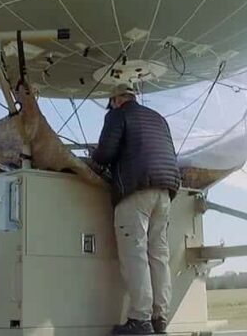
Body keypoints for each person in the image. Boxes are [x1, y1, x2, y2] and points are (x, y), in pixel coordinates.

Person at [91, 84, 181, 335]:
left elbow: (104, 154)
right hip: (165, 192)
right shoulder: (158, 118)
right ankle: (159, 318)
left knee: (135, 253)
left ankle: (140, 320)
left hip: (136, 191)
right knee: (158, 255)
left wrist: (94, 157)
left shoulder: (118, 115)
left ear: (116, 99)